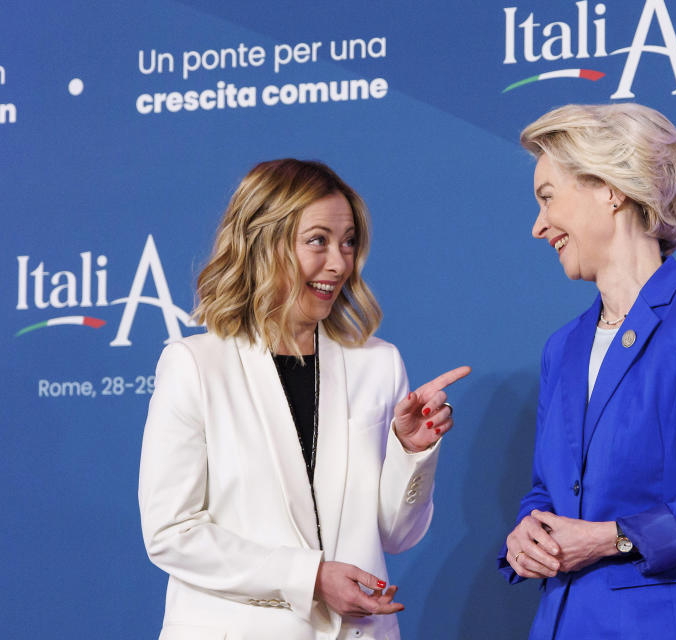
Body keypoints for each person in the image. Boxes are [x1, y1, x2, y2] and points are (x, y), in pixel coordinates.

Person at [139, 159, 469, 640]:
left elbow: (398, 536)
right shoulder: (195, 365)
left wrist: (411, 452)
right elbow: (172, 534)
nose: (339, 263)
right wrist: (309, 577)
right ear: (262, 243)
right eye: (318, 241)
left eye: (348, 242)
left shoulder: (377, 364)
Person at [498, 104, 676, 639]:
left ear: (610, 189)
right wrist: (528, 533)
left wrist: (610, 537)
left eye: (547, 197)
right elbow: (549, 490)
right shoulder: (564, 347)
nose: (537, 226)